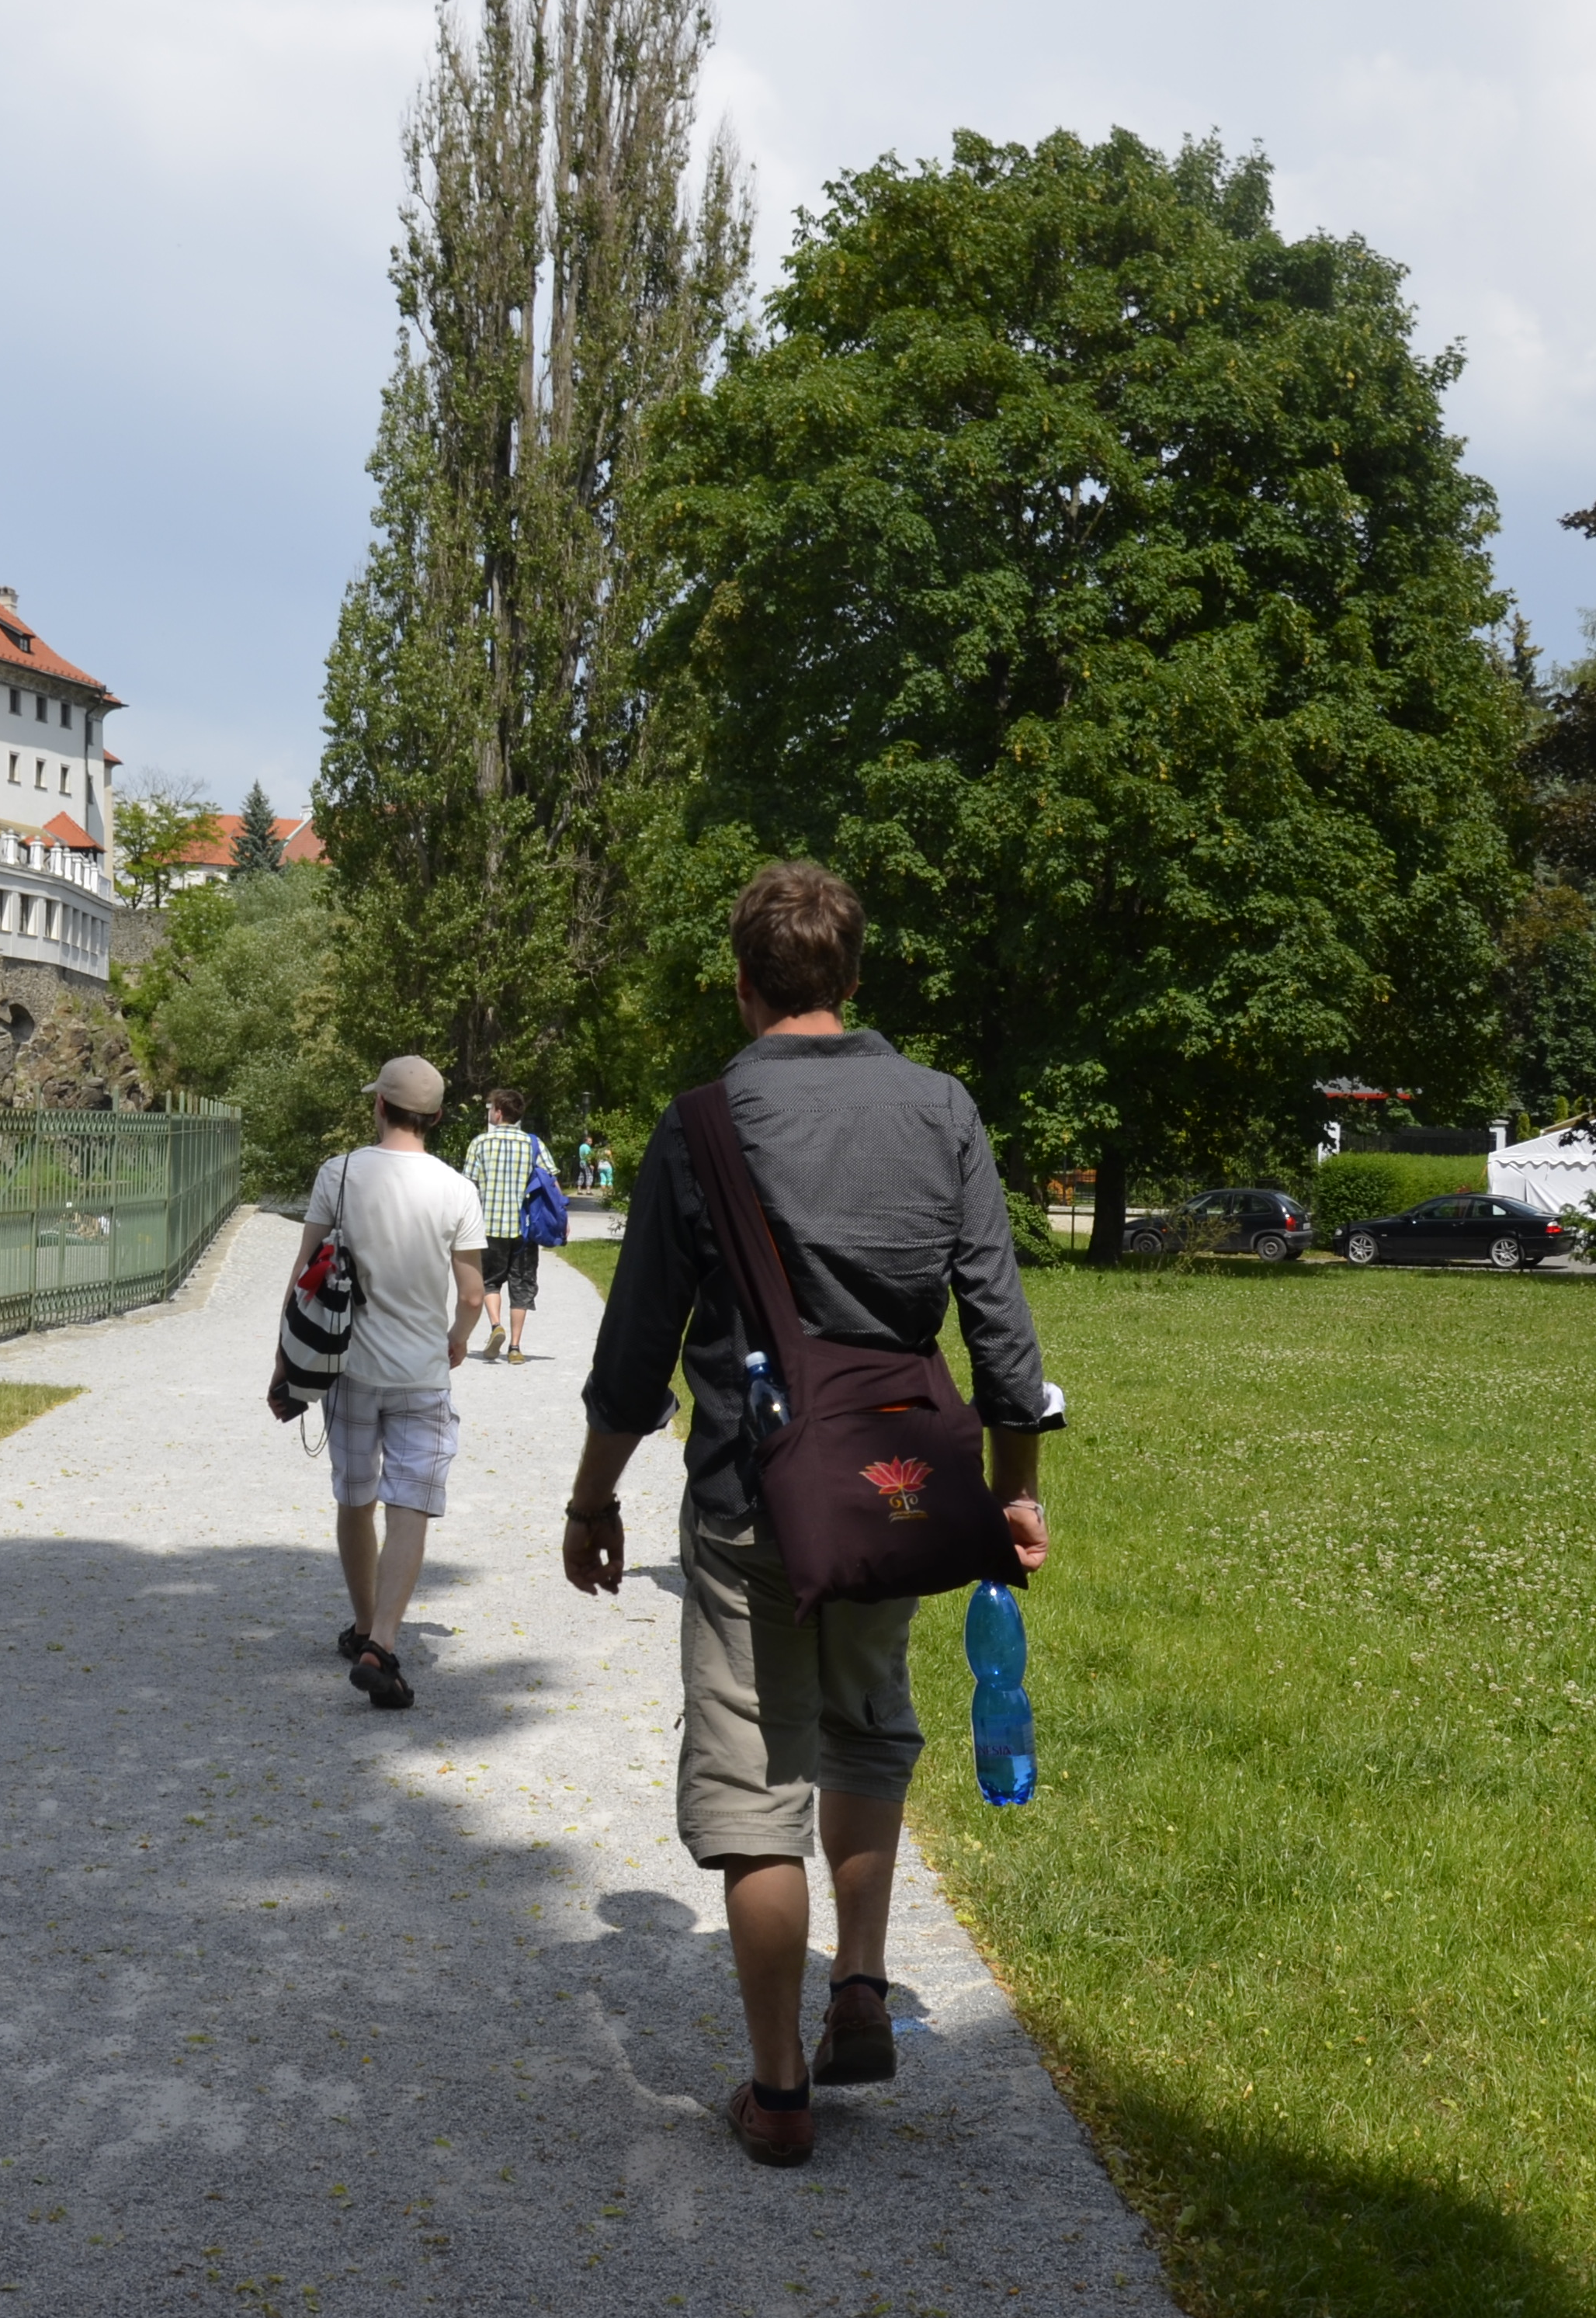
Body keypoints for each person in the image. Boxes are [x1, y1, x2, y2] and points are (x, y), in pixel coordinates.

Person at [560, 861, 1051, 2169]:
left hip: (748, 1492)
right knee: (868, 1723)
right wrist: (1012, 1490)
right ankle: (862, 1983)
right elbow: (1003, 1337)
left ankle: (778, 2090)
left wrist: (592, 1498)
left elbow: (635, 1348)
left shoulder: (703, 1123)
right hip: (894, 1492)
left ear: (742, 982)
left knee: (753, 1779)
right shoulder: (941, 1108)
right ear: (852, 975)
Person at [266, 1054, 486, 1709]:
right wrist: (458, 1338)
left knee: (356, 1497)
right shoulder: (457, 1189)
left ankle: (363, 1625)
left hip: (349, 1370)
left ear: (380, 1107)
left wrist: (284, 1364)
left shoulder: (339, 1174)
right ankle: (382, 1644)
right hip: (421, 1374)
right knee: (410, 1503)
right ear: (436, 1118)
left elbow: (304, 1275)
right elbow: (472, 1294)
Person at [460, 1086, 546, 1362]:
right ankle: (515, 1348)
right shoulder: (533, 1144)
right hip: (525, 1228)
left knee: (490, 1281)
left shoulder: (480, 1143)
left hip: (490, 1227)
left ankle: (496, 1325)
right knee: (522, 1286)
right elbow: (550, 1181)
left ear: (498, 1112)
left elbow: (468, 1186)